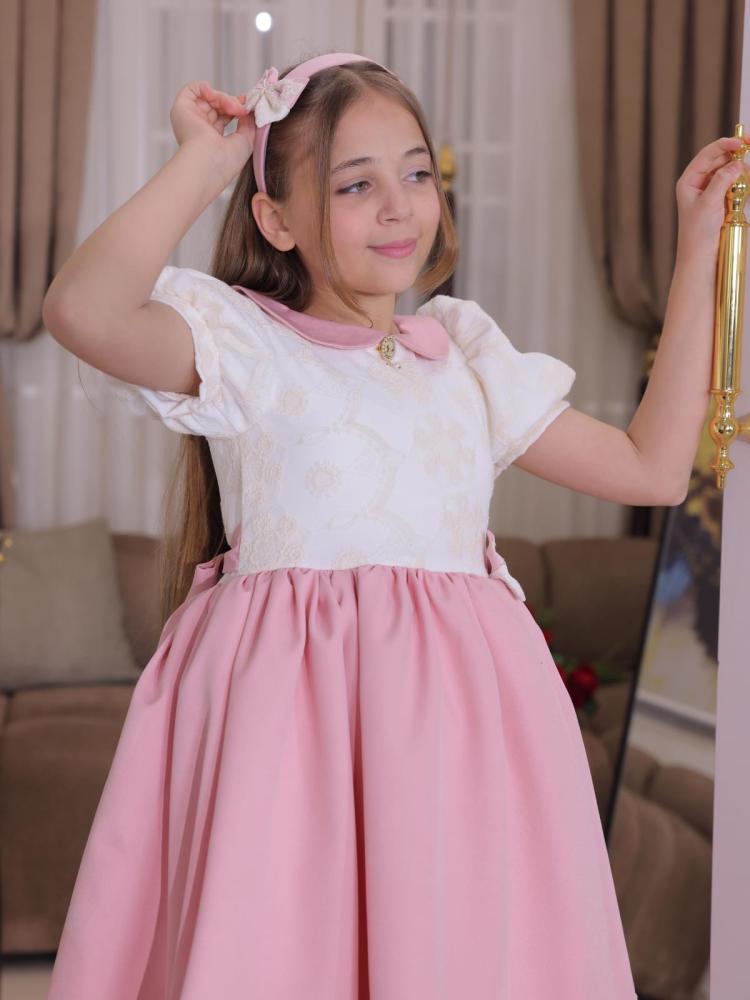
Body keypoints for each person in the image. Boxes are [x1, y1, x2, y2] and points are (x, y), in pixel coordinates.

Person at [42, 48, 740, 1000]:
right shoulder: (246, 345)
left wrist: (699, 249)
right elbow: (82, 309)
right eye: (355, 185)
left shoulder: (466, 358)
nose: (399, 207)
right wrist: (205, 163)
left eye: (416, 174)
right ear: (276, 220)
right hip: (288, 736)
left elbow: (651, 470)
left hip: (461, 737)